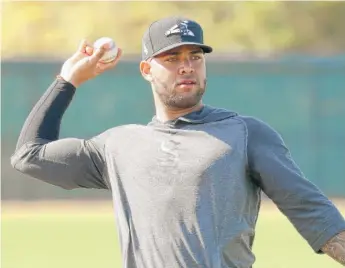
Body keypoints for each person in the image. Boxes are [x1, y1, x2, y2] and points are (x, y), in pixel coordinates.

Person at [11, 16, 345, 268]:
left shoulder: (245, 134)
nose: (186, 66)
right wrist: (67, 79)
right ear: (146, 69)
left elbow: (316, 217)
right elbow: (29, 155)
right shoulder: (116, 146)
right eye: (172, 58)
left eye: (194, 56)